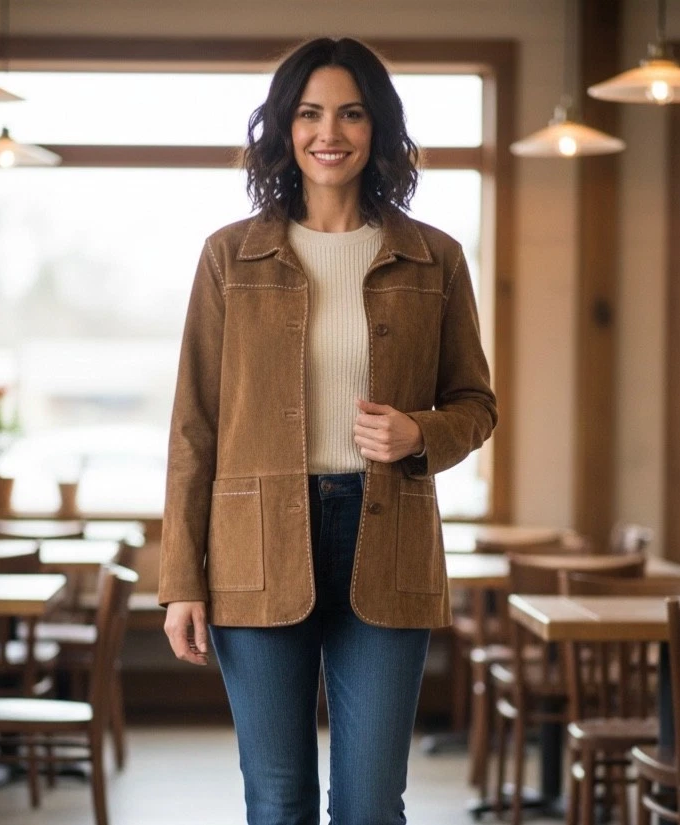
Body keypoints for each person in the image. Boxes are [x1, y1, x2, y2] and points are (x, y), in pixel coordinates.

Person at [160, 36, 497, 825]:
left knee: (371, 803)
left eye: (351, 113)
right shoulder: (228, 257)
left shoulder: (433, 258)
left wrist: (419, 433)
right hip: (257, 547)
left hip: (388, 543)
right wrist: (181, 578)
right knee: (276, 799)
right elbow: (192, 429)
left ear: (377, 128)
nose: (329, 132)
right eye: (309, 113)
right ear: (282, 128)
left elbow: (475, 404)